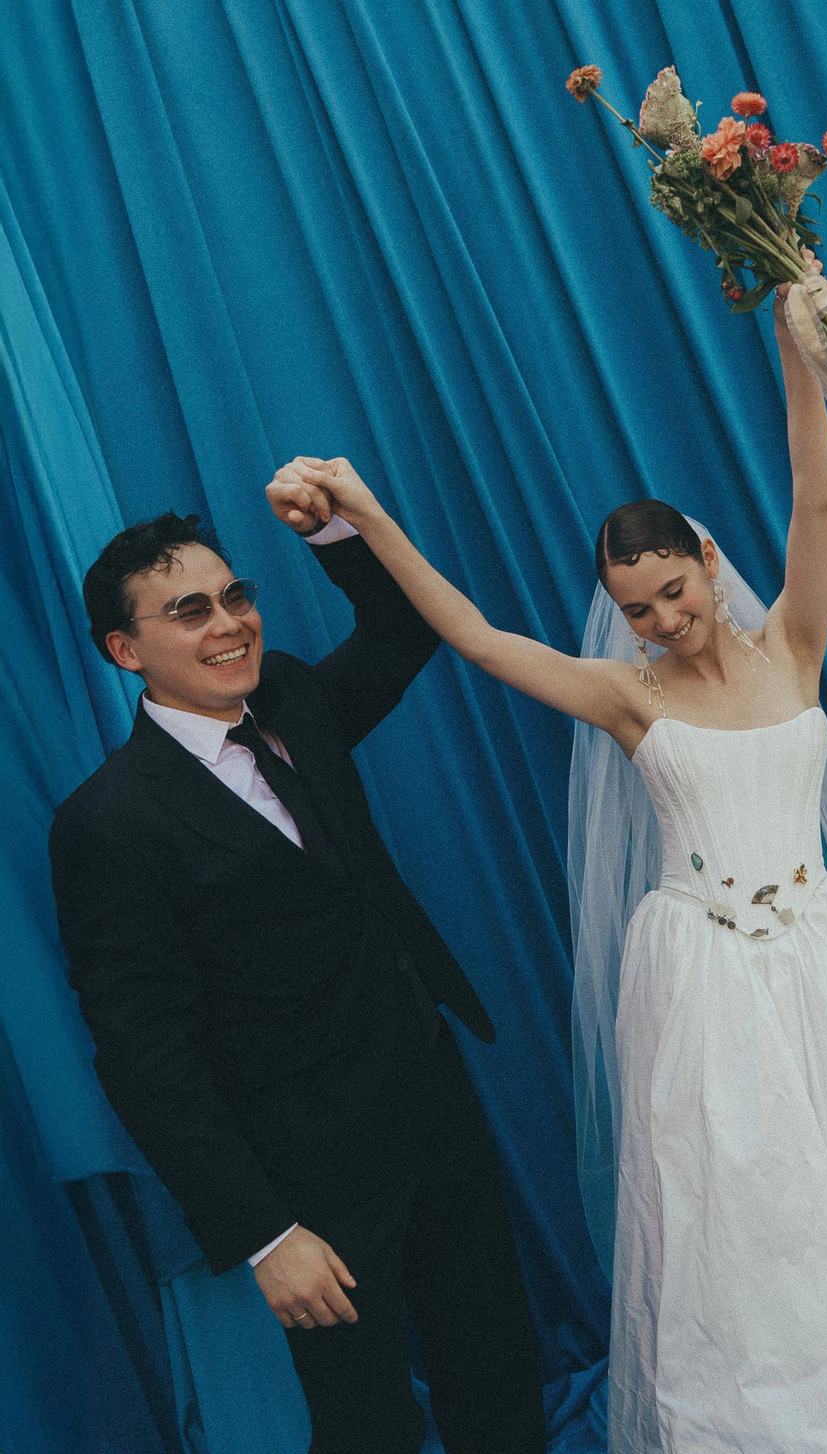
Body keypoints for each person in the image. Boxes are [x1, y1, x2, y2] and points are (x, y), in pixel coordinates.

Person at [270, 259, 827, 1452]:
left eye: (672, 591)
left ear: (702, 556)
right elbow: (478, 639)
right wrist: (369, 515)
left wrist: (795, 344)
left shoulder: (793, 641)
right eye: (636, 606)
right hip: (710, 979)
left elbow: (815, 496)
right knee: (763, 1213)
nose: (661, 619)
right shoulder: (624, 694)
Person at [49, 503, 546, 1454]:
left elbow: (403, 628)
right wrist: (266, 1235)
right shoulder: (107, 825)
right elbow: (146, 1058)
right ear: (125, 650)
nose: (229, 623)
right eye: (190, 610)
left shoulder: (291, 698)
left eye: (235, 596)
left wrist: (333, 533)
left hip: (432, 1098)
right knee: (368, 1426)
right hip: (310, 1175)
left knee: (499, 1376)